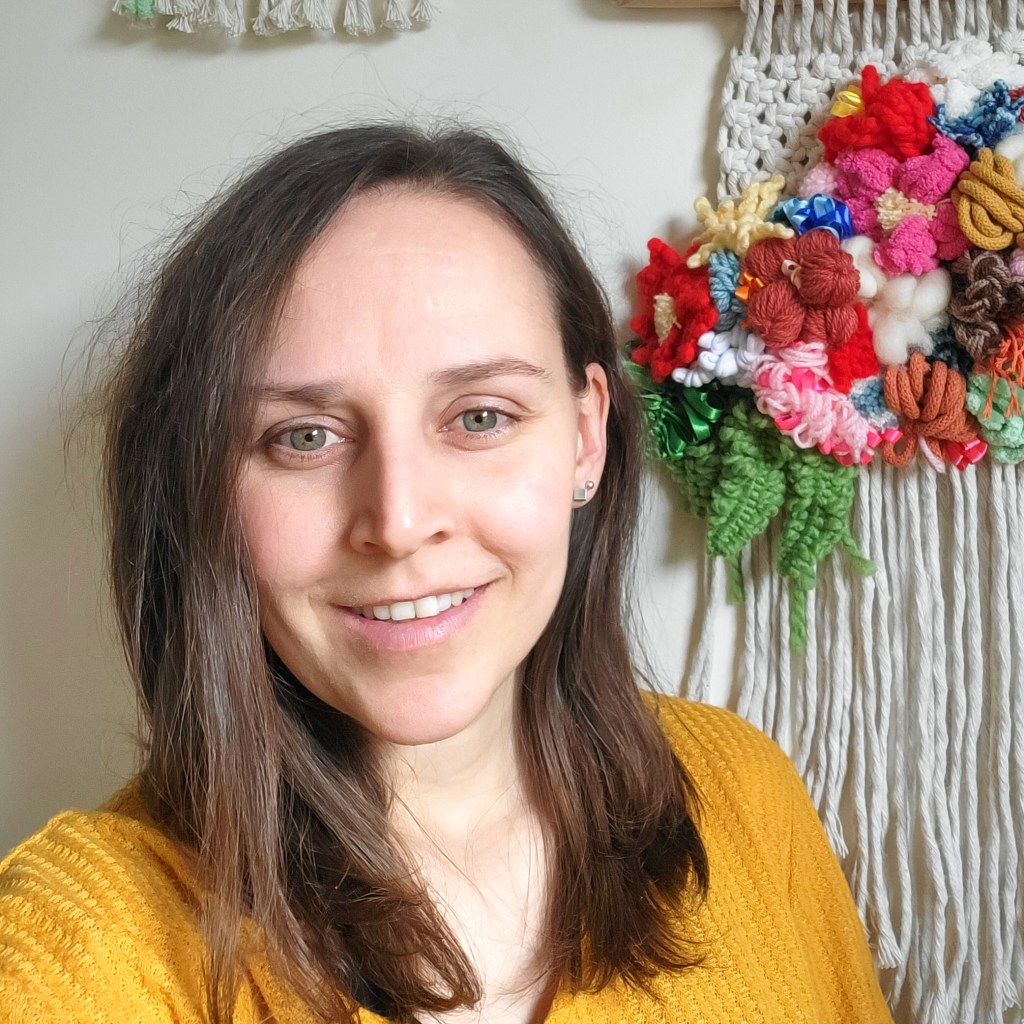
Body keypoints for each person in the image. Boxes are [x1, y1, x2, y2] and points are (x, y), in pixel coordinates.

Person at [0, 124, 894, 1024]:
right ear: (201, 486)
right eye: (304, 437)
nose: (398, 523)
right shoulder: (75, 948)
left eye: (479, 418)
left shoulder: (740, 791)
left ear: (586, 438)